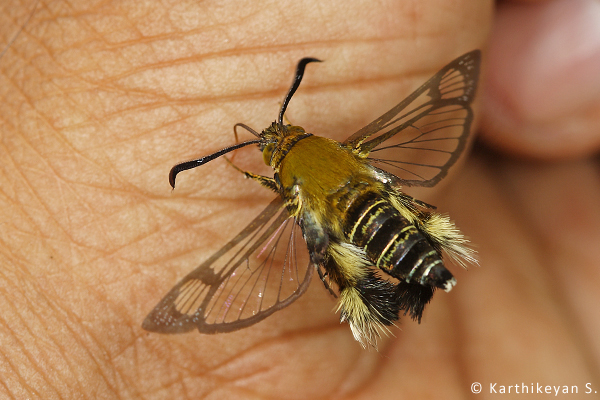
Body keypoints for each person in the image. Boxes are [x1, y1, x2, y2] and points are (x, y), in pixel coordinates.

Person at [0, 0, 598, 397]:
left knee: (332, 249)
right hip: (442, 228)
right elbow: (443, 101)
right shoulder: (361, 146)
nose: (277, 141)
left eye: (281, 144)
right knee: (385, 211)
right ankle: (415, 255)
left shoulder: (285, 198)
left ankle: (376, 288)